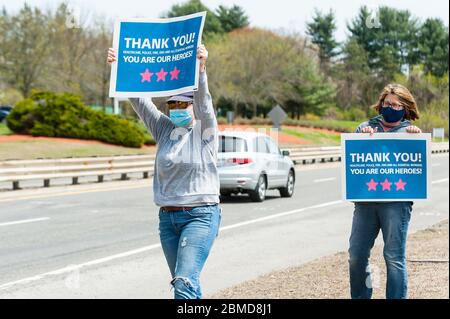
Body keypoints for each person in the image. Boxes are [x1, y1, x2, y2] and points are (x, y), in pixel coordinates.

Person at [107, 45, 221, 299]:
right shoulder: (164, 129)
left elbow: (205, 104)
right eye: (172, 104)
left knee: (183, 282)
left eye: (183, 103)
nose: (177, 108)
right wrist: (120, 68)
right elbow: (140, 101)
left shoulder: (205, 131)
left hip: (200, 215)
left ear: (193, 107)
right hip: (167, 219)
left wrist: (201, 70)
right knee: (186, 282)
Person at [348, 83, 422, 299]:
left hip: (397, 204)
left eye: (396, 105)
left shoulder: (409, 132)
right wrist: (361, 136)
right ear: (380, 104)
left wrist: (416, 138)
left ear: (405, 108)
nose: (390, 107)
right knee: (356, 255)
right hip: (366, 203)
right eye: (387, 103)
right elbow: (354, 158)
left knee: (394, 257)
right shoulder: (365, 128)